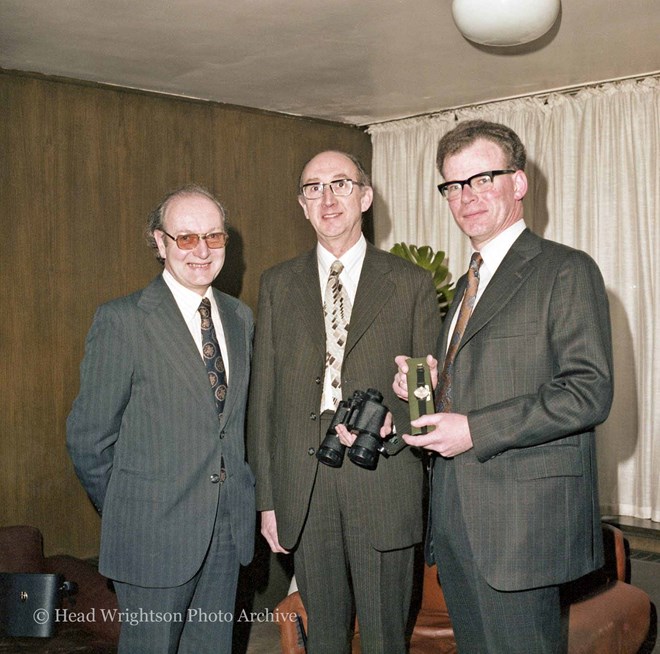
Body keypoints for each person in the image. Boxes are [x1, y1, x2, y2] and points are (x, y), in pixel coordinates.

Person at [393, 120, 614, 653]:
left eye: (482, 179)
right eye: (453, 185)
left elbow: (588, 390)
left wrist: (473, 428)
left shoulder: (565, 269)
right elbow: (490, 376)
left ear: (519, 183)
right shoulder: (472, 278)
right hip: (458, 523)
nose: (465, 197)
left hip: (521, 530)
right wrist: (428, 387)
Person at [247, 150, 440, 653]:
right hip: (304, 489)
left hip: (382, 484)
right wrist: (267, 500)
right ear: (302, 205)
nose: (327, 198)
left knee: (383, 641)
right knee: (325, 638)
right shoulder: (276, 285)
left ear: (366, 197)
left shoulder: (411, 284)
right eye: (314, 188)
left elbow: (426, 394)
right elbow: (263, 400)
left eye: (341, 184)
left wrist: (394, 426)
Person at [67, 184, 255, 653]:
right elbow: (89, 439)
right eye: (186, 237)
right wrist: (131, 510)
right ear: (160, 242)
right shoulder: (123, 319)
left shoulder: (239, 318)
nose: (202, 250)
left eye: (214, 237)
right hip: (151, 537)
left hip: (226, 534)